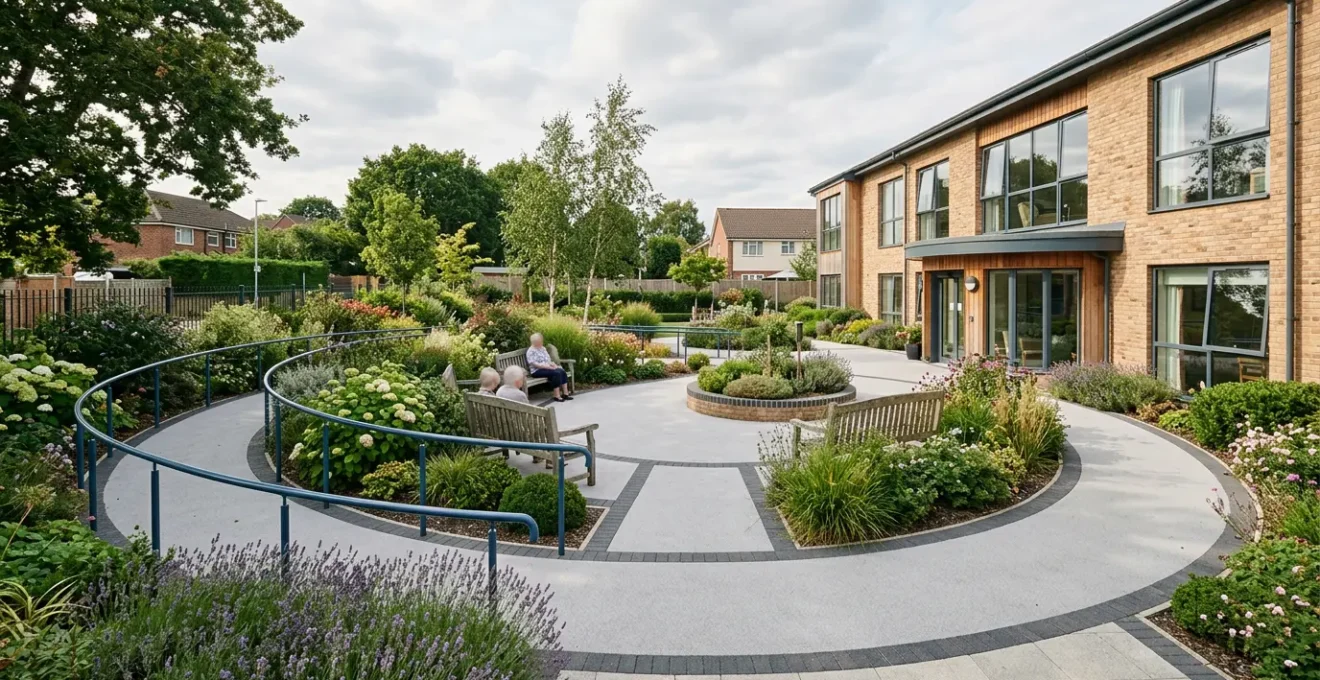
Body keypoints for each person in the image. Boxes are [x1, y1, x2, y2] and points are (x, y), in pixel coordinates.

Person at [525, 333, 572, 402]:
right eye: (540, 342)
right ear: (535, 342)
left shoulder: (542, 348)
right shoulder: (530, 352)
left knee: (561, 370)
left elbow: (548, 359)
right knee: (556, 373)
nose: (541, 343)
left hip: (547, 368)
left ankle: (565, 393)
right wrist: (548, 367)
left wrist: (552, 364)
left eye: (541, 341)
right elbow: (535, 364)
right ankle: (557, 395)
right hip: (537, 371)